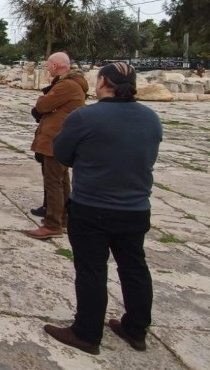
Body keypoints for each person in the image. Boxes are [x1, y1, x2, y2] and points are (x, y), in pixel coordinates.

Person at [42, 62, 162, 355]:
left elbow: (62, 154)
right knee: (134, 268)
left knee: (92, 270)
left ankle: (86, 332)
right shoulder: (151, 118)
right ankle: (136, 329)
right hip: (135, 207)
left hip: (93, 205)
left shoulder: (86, 117)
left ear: (104, 82)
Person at [28, 52, 89, 240]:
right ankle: (62, 219)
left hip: (56, 139)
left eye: (48, 66)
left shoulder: (66, 85)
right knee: (61, 181)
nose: (47, 69)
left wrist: (46, 105)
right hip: (59, 138)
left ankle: (53, 223)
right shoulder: (70, 84)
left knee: (53, 182)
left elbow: (42, 105)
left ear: (55, 66)